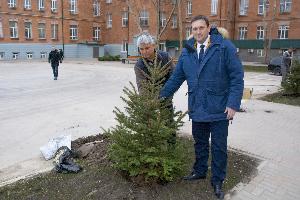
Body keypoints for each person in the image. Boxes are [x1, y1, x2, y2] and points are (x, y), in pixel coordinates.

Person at [160, 15, 244, 199]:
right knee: (199, 143)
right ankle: (199, 170)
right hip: (197, 107)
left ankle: (218, 180)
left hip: (220, 108)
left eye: (201, 28)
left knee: (219, 147)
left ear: (208, 28)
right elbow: (176, 78)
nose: (197, 32)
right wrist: (160, 96)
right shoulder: (188, 50)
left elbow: (237, 77)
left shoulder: (224, 47)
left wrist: (233, 104)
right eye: (194, 29)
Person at [134, 33, 176, 144]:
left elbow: (174, 77)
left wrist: (165, 96)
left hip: (166, 96)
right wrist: (149, 103)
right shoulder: (139, 65)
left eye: (147, 48)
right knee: (149, 126)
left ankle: (171, 147)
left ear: (154, 46)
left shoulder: (165, 57)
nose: (144, 51)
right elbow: (141, 86)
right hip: (149, 100)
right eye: (141, 49)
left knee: (169, 123)